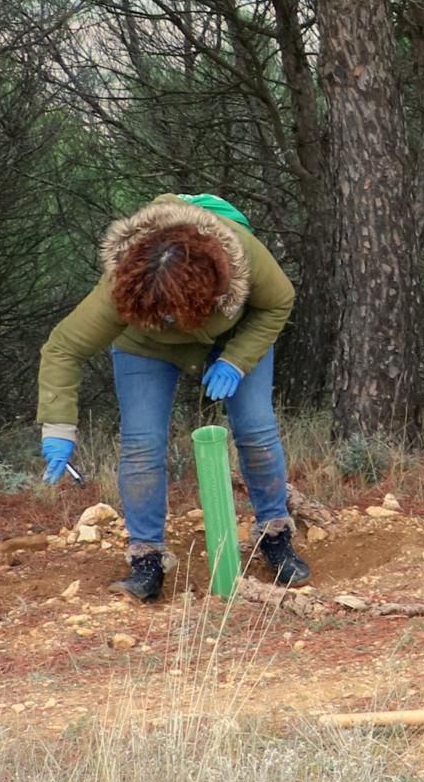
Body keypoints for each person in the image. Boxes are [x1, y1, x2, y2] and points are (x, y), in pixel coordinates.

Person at [37, 193, 308, 604]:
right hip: (144, 348)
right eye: (161, 313)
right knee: (142, 445)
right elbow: (63, 347)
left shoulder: (243, 257)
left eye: (174, 313)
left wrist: (236, 360)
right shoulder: (122, 282)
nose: (170, 322)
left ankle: (275, 535)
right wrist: (58, 427)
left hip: (233, 337)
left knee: (256, 427)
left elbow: (279, 301)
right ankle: (147, 558)